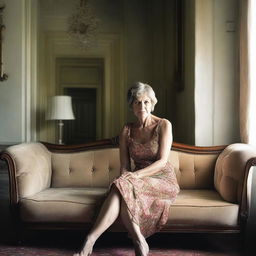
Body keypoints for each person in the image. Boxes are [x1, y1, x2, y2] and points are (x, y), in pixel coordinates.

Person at [74, 82, 180, 256]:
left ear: (152, 103)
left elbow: (162, 161)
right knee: (121, 187)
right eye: (137, 102)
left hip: (161, 177)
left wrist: (134, 176)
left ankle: (91, 241)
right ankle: (133, 240)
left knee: (123, 185)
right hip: (135, 178)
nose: (142, 106)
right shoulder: (127, 130)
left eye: (146, 102)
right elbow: (124, 165)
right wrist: (125, 178)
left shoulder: (163, 125)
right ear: (131, 106)